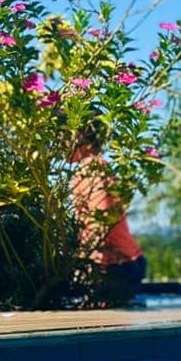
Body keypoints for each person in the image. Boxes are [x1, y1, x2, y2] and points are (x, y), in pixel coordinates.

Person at [69, 124, 147, 303]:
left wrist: (94, 264)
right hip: (121, 262)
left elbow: (101, 218)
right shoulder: (94, 167)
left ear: (80, 137)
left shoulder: (92, 168)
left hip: (115, 264)